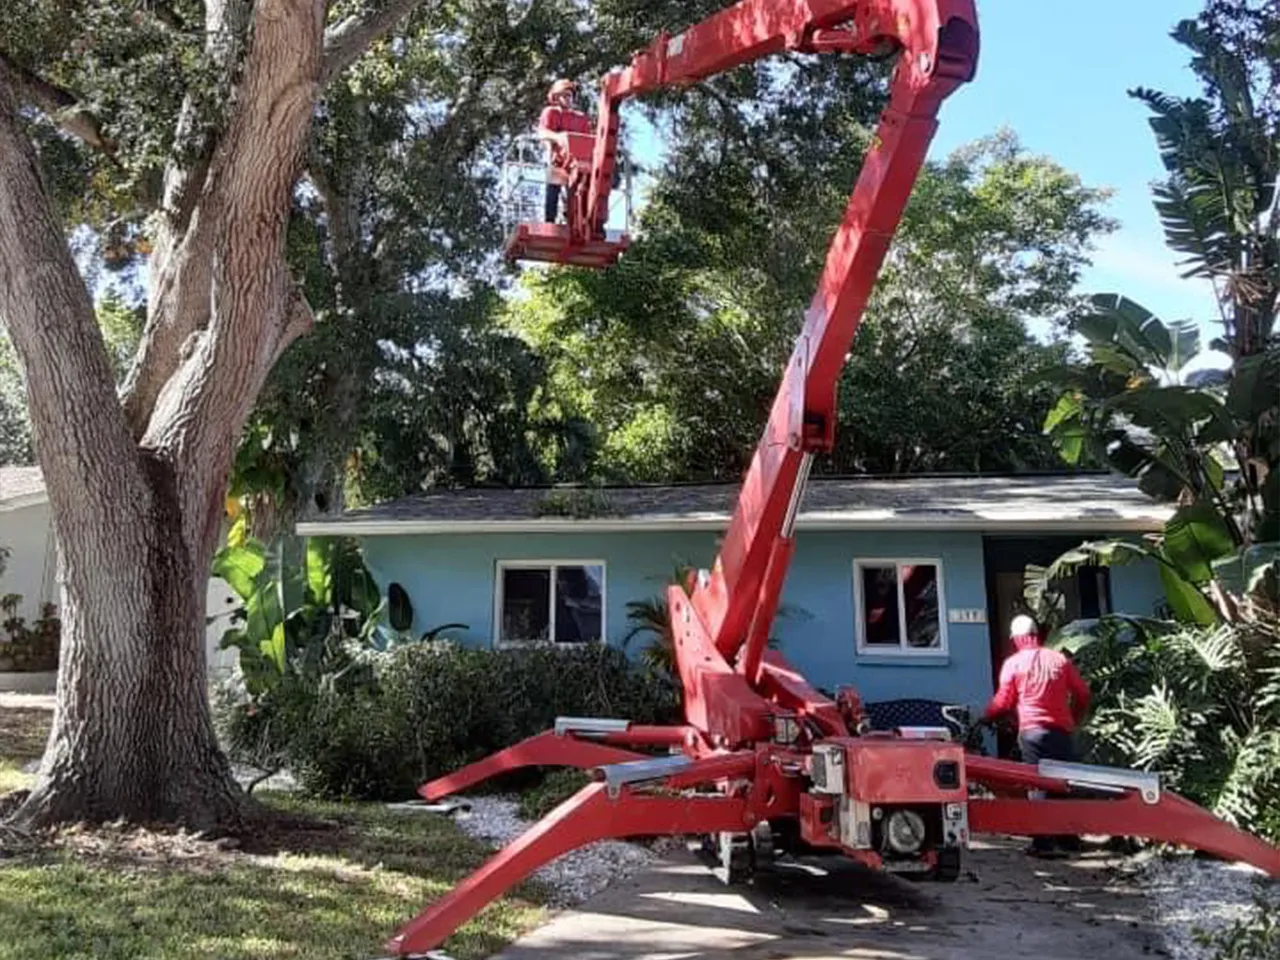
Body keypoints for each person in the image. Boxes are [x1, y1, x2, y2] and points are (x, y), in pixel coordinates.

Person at [982, 613, 1091, 857]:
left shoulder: (1014, 664)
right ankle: (1068, 838)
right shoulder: (1059, 660)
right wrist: (1075, 717)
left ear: (1018, 639)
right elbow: (1083, 693)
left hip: (1032, 732)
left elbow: (1003, 701)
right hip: (1061, 731)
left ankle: (1043, 843)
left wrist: (986, 717)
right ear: (1036, 635)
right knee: (1062, 784)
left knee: (1037, 783)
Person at [537, 79, 593, 223]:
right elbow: (542, 133)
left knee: (583, 188)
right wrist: (558, 137)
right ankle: (550, 220)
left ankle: (579, 219)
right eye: (564, 95)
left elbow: (588, 139)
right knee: (554, 184)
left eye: (570, 95)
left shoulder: (580, 118)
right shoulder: (551, 112)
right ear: (555, 97)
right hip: (558, 160)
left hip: (578, 163)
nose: (568, 99)